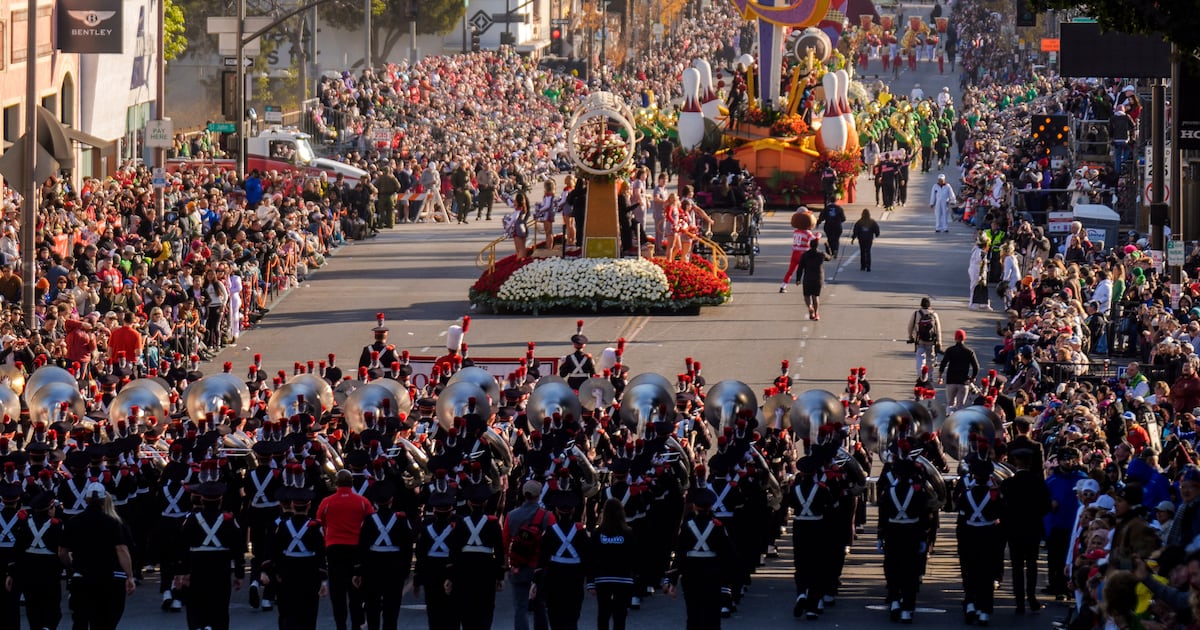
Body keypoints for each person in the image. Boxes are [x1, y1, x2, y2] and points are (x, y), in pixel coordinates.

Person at [58, 481, 136, 630]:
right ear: (103, 500)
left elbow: (62, 551)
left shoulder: (74, 521)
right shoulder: (112, 522)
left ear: (86, 499)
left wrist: (71, 566)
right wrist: (129, 575)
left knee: (80, 620)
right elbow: (121, 549)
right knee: (104, 621)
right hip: (107, 578)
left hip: (82, 577)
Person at [173, 480, 245, 630]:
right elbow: (238, 548)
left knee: (196, 604)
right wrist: (239, 573)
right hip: (221, 568)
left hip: (197, 567)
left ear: (202, 500)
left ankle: (199, 625)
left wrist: (181, 572)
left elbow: (182, 547)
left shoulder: (191, 520)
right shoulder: (229, 520)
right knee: (220, 606)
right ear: (220, 500)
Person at [662, 485, 736, 630]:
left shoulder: (687, 527)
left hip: (691, 575)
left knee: (693, 615)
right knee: (712, 617)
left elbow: (680, 555)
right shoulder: (718, 526)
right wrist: (727, 582)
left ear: (694, 506)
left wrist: (671, 579)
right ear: (711, 506)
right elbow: (728, 554)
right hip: (713, 575)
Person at [317, 469, 376, 630]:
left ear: (336, 483)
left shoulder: (327, 502)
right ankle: (356, 623)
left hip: (334, 547)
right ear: (351, 483)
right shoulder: (362, 501)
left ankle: (340, 625)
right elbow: (372, 523)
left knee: (337, 590)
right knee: (356, 588)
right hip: (355, 548)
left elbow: (319, 522)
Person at [262, 487, 328, 630]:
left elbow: (275, 551)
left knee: (287, 612)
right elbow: (321, 554)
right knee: (309, 614)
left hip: (287, 573)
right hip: (309, 574)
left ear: (292, 505)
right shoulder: (315, 527)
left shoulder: (283, 526)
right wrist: (323, 580)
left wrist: (272, 571)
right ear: (309, 506)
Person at [354, 481, 414, 630]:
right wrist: (406, 569)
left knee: (372, 608)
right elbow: (407, 546)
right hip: (394, 568)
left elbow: (362, 547)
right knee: (391, 610)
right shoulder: (401, 519)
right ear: (391, 500)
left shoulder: (368, 520)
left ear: (374, 501)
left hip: (372, 568)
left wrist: (359, 570)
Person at [446, 483, 504, 630]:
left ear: (469, 503)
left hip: (464, 568)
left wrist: (450, 576)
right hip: (486, 569)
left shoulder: (461, 523)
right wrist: (500, 576)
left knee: (466, 608)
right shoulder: (493, 524)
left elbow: (454, 550)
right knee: (486, 607)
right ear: (485, 503)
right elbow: (499, 551)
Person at [786, 457, 837, 620]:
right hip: (817, 526)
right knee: (817, 566)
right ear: (815, 472)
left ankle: (801, 593)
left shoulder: (795, 489)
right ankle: (812, 607)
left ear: (801, 473)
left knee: (801, 563)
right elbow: (832, 505)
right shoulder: (821, 489)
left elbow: (789, 503)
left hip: (800, 526)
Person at [1000, 449, 1051, 614]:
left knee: (1016, 566)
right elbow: (1046, 506)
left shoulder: (1008, 484)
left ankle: (1019, 601)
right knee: (1031, 564)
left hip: (1014, 529)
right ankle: (1031, 597)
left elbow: (1002, 508)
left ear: (1016, 463)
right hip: (1033, 528)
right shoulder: (1038, 483)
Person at [534, 490, 591, 629]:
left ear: (556, 511)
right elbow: (588, 557)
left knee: (555, 615)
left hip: (554, 575)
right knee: (572, 615)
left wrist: (536, 581)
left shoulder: (550, 531)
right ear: (573, 511)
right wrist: (589, 579)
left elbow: (542, 558)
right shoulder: (580, 531)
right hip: (575, 577)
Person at [9, 491, 64, 630]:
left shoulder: (25, 523)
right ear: (50, 508)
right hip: (50, 573)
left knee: (33, 608)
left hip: (29, 573)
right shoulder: (57, 525)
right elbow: (61, 551)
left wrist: (12, 573)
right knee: (53, 608)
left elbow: (17, 550)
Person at [503, 480, 552, 630]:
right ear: (539, 495)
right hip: (539, 567)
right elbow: (553, 541)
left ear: (524, 494)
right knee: (539, 605)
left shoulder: (511, 515)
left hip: (518, 565)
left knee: (520, 607)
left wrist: (507, 564)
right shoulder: (547, 516)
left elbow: (505, 541)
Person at [589, 497, 636, 630]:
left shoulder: (597, 533)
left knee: (603, 614)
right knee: (620, 616)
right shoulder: (629, 533)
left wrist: (590, 581)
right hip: (624, 578)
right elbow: (634, 557)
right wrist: (634, 578)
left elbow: (591, 558)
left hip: (602, 578)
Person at [414, 491, 458, 630]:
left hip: (430, 571)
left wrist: (417, 578)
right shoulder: (459, 523)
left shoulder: (426, 525)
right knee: (452, 612)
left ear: (434, 510)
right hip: (452, 570)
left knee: (433, 611)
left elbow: (420, 553)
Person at [938, 329, 979, 411]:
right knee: (960, 407)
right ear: (964, 338)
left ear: (955, 338)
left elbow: (943, 364)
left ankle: (949, 417)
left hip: (951, 381)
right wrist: (973, 377)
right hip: (963, 382)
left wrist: (940, 376)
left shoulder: (950, 350)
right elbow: (976, 367)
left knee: (950, 404)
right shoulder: (969, 352)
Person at [781, 208, 818, 293]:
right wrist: (818, 236)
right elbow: (814, 241)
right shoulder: (807, 233)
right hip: (804, 254)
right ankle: (808, 286)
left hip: (795, 253)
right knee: (808, 271)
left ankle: (783, 285)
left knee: (790, 270)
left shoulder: (796, 232)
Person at [908, 297, 942, 379]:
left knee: (920, 356)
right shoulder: (934, 315)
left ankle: (921, 374)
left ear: (921, 305)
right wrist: (939, 342)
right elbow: (938, 330)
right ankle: (929, 377)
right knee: (930, 359)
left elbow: (910, 326)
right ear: (930, 305)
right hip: (931, 341)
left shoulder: (916, 314)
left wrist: (911, 336)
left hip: (920, 340)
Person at [799, 238, 832, 321]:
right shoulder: (821, 254)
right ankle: (816, 313)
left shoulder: (805, 255)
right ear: (817, 246)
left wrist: (798, 279)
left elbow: (800, 268)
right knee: (815, 296)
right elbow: (829, 257)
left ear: (810, 245)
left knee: (806, 295)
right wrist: (827, 246)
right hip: (818, 278)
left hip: (808, 277)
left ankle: (810, 307)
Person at [558, 322, 596, 390]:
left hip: (572, 384)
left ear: (574, 345)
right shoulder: (588, 358)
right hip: (584, 384)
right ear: (584, 345)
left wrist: (563, 364)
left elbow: (562, 374)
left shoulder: (569, 358)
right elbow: (593, 375)